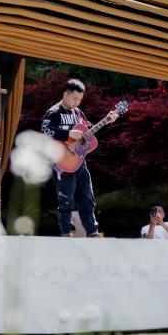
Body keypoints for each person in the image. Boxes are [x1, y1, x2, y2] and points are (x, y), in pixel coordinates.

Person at [42, 78, 113, 238]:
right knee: (66, 200)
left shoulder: (78, 113)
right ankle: (67, 232)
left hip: (80, 162)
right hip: (62, 162)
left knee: (87, 198)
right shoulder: (54, 112)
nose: (77, 102)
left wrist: (107, 121)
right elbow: (46, 131)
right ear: (65, 95)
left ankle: (92, 232)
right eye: (74, 98)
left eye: (80, 99)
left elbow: (90, 132)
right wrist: (68, 134)